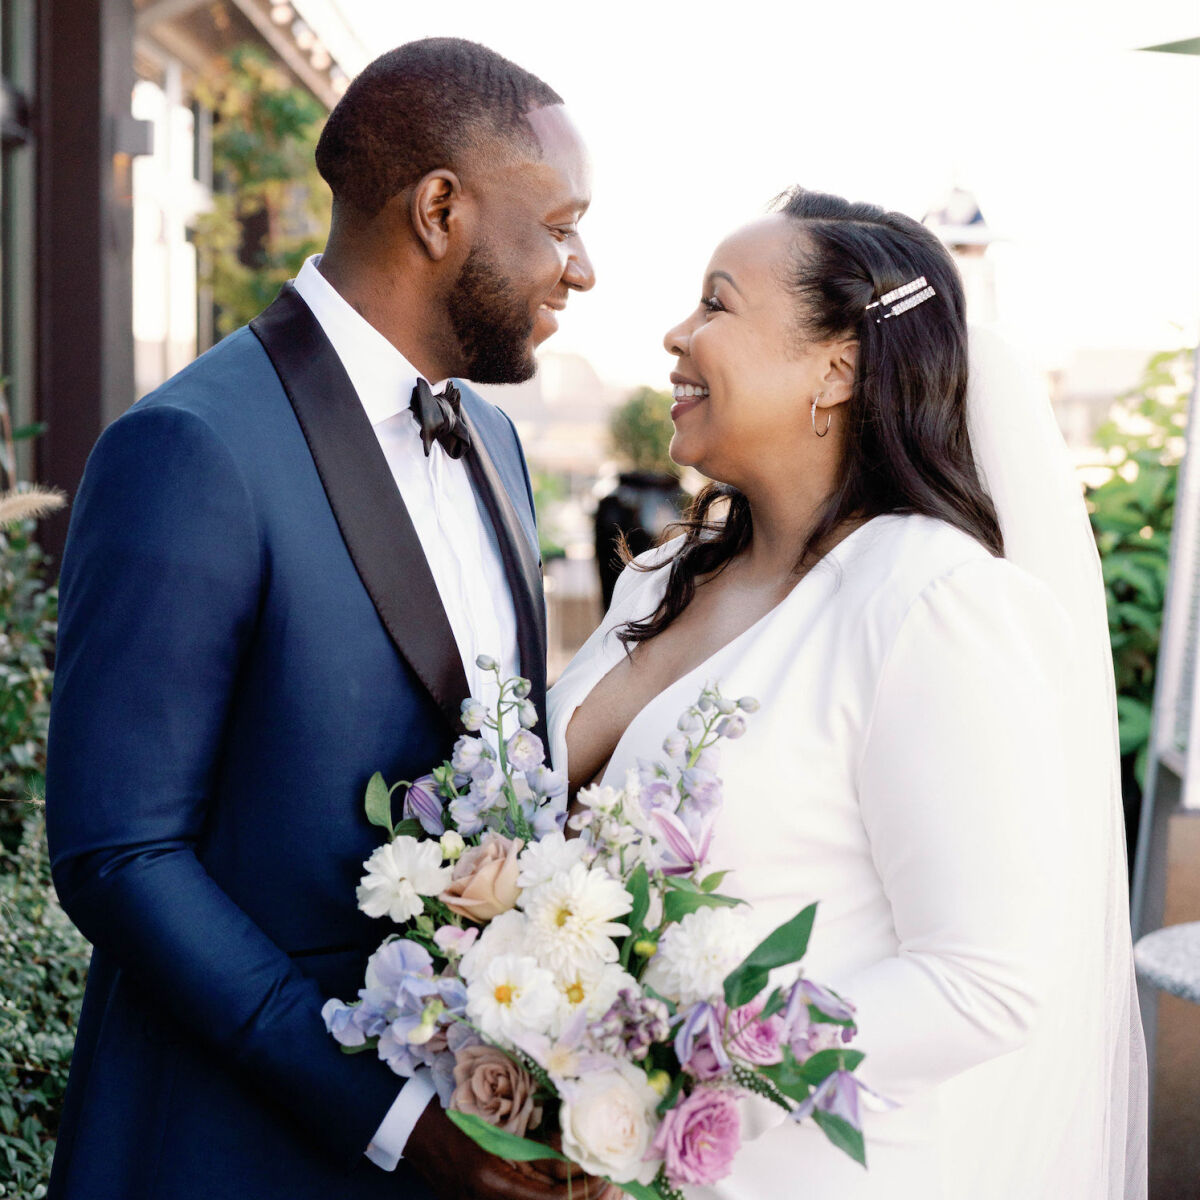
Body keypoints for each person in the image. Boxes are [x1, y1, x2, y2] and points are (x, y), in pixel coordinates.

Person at [44, 37, 611, 1200]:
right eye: (559, 224)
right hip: (232, 1145)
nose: (583, 267)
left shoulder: (496, 441)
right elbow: (117, 853)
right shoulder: (192, 446)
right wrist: (396, 1115)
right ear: (440, 209)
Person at [549, 188, 1148, 1198]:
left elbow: (983, 982)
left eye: (716, 306)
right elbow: (533, 797)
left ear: (838, 366)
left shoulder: (934, 604)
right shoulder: (660, 577)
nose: (674, 335)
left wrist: (680, 1071)